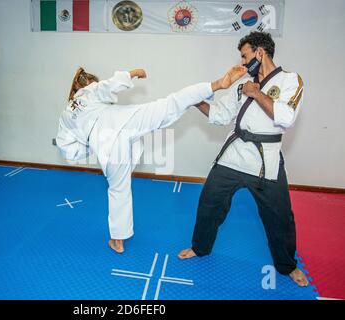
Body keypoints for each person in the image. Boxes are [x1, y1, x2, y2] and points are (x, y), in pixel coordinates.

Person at [56, 65, 247, 253]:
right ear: (86, 85)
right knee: (170, 103)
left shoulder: (66, 114)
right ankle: (217, 84)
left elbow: (67, 148)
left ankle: (117, 241)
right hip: (124, 120)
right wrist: (132, 73)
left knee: (118, 190)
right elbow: (107, 86)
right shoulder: (89, 91)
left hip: (106, 144)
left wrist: (89, 145)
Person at [178, 32, 308, 287]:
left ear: (260, 52)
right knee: (209, 203)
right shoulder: (242, 84)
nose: (244, 62)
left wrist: (256, 93)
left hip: (265, 161)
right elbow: (219, 114)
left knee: (279, 217)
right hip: (234, 155)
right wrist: (194, 101)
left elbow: (286, 117)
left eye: (246, 56)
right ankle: (200, 248)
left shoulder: (291, 80)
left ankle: (287, 265)